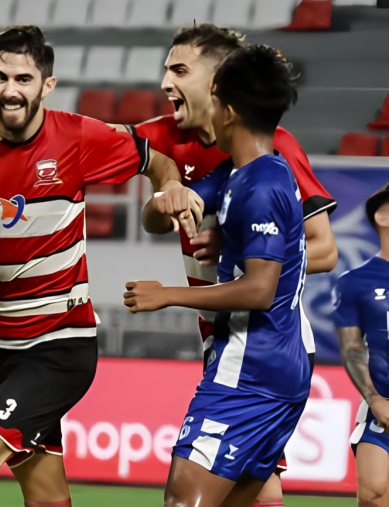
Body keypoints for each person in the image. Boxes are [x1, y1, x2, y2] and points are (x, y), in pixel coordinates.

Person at [0, 25, 200, 507]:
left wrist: (167, 190)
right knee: (46, 493)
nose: (10, 89)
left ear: (46, 86)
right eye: (0, 76)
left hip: (62, 343)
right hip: (1, 345)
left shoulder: (79, 135)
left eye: (23, 79)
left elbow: (158, 163)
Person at [120, 24, 338, 507]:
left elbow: (269, 282)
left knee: (185, 500)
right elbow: (166, 210)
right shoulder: (234, 171)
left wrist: (171, 293)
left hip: (252, 358)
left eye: (180, 70)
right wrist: (167, 190)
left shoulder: (267, 172)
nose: (165, 83)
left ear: (224, 99)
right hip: (258, 354)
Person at [334, 183, 389, 507]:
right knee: (373, 494)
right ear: (382, 215)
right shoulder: (355, 281)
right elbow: (353, 347)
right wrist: (375, 398)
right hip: (382, 406)